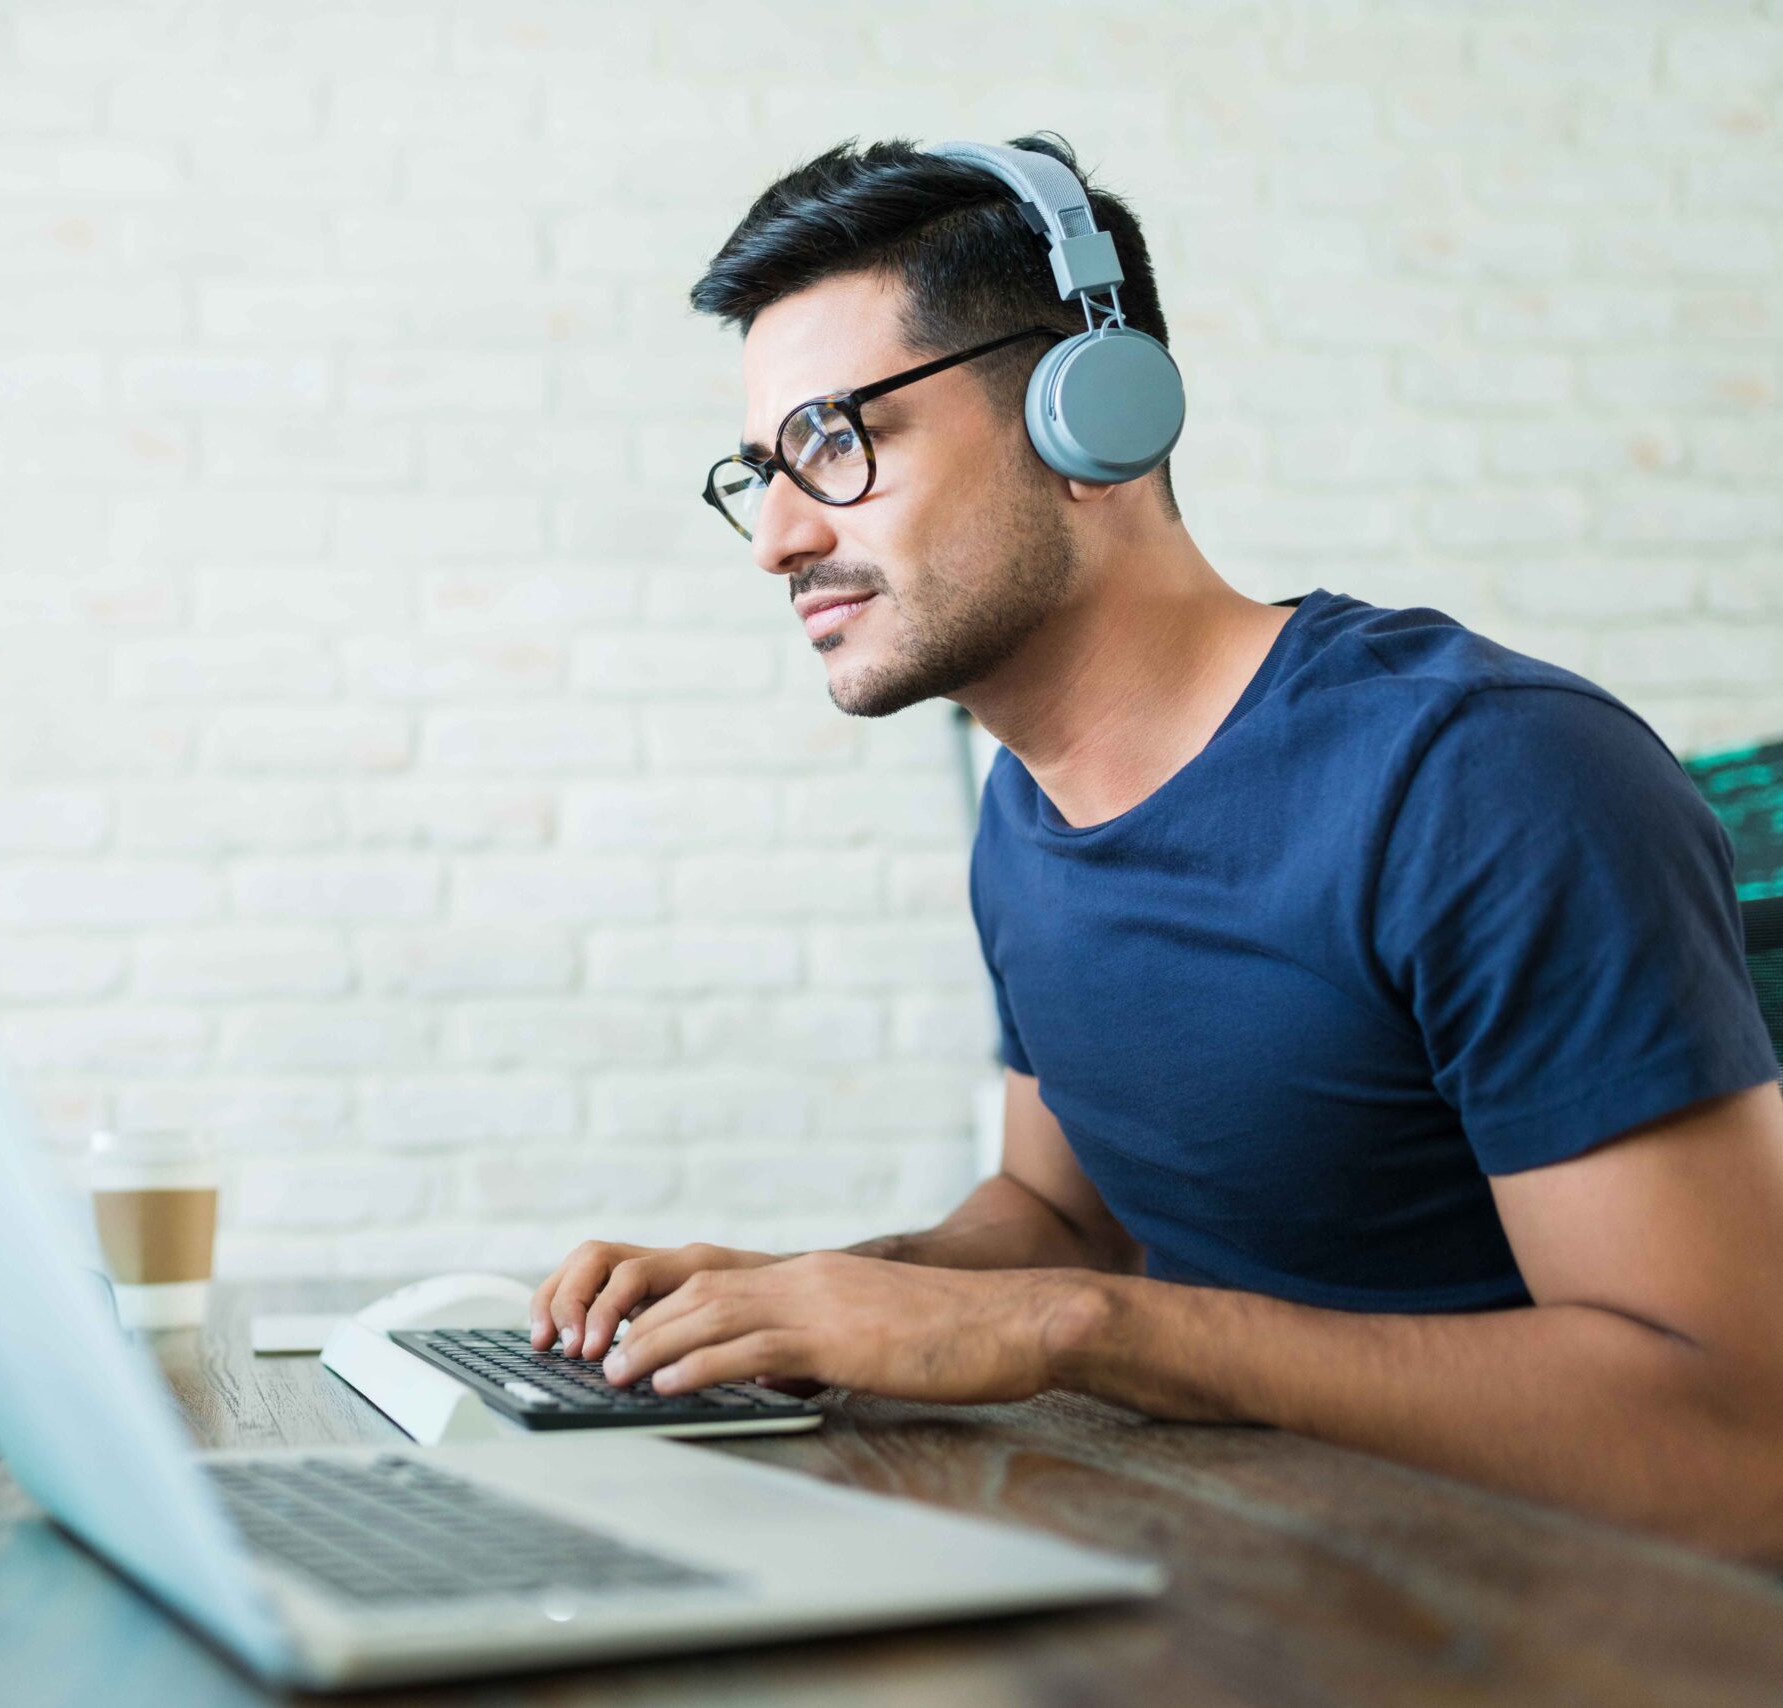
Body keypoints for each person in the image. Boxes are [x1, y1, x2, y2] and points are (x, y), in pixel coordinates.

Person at [534, 136, 1783, 1557]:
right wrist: (804, 1299)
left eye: (834, 440)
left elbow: (1738, 1440)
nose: (775, 537)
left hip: (1548, 1622)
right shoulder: (1025, 811)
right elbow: (1066, 1224)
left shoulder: (1488, 778)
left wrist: (1073, 1331)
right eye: (759, 469)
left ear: (1092, 419)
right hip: (1241, 1575)